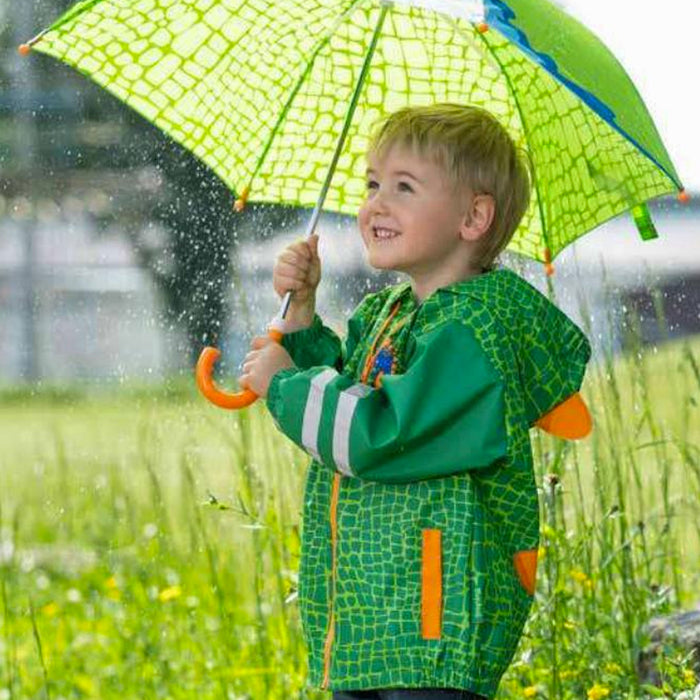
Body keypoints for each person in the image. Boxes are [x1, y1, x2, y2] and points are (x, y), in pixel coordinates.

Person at [238, 103, 592, 699]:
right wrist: (300, 321)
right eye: (373, 183)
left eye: (405, 187)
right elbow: (345, 392)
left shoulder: (475, 334)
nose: (377, 203)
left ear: (474, 216)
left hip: (433, 622)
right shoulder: (390, 312)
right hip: (371, 615)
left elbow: (377, 432)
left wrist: (281, 384)